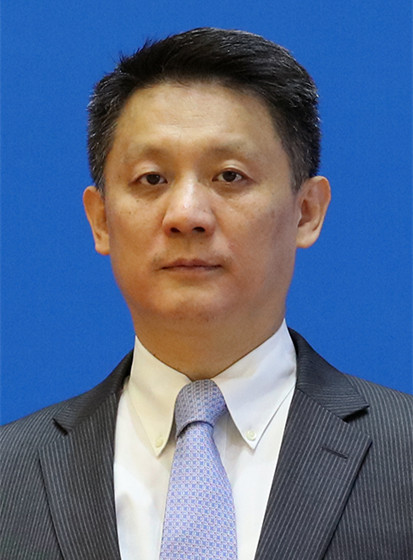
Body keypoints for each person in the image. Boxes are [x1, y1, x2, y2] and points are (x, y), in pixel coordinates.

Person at [1, 27, 412, 560]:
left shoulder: (403, 451)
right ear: (101, 220)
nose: (186, 214)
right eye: (152, 179)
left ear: (306, 212)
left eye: (229, 176)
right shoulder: (10, 473)